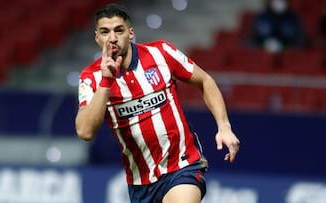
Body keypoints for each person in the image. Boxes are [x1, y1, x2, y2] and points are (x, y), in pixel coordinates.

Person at [75, 3, 240, 203]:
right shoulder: (90, 78)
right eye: (105, 32)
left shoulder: (161, 53)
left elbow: (204, 81)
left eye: (119, 30)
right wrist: (106, 82)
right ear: (97, 38)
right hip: (141, 183)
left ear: (131, 33)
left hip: (182, 165)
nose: (112, 38)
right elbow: (85, 132)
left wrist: (224, 126)